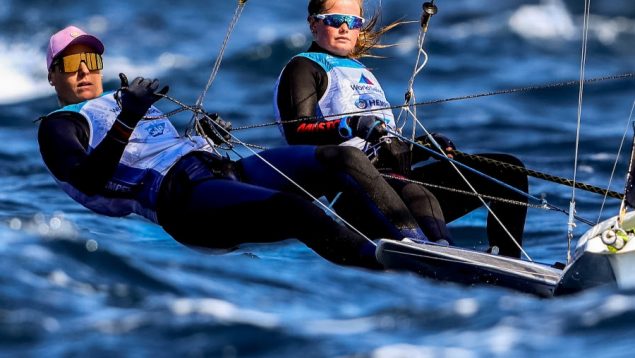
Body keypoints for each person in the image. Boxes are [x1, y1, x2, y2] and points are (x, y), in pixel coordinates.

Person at [38, 25, 432, 270]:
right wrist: (129, 117)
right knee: (297, 211)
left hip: (221, 171)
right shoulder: (60, 125)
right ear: (53, 75)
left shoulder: (121, 99)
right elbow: (89, 181)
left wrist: (204, 136)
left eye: (90, 59)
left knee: (343, 156)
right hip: (182, 201)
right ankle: (387, 266)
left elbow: (163, 149)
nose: (85, 71)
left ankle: (422, 246)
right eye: (71, 65)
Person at [274, 0, 530, 257]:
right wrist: (354, 125)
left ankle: (508, 260)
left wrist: (424, 146)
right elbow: (297, 131)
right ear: (313, 23)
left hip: (398, 187)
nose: (344, 27)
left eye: (353, 22)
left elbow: (383, 148)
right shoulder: (303, 67)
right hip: (353, 193)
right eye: (333, 20)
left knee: (509, 173)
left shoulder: (360, 71)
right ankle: (441, 254)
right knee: (417, 194)